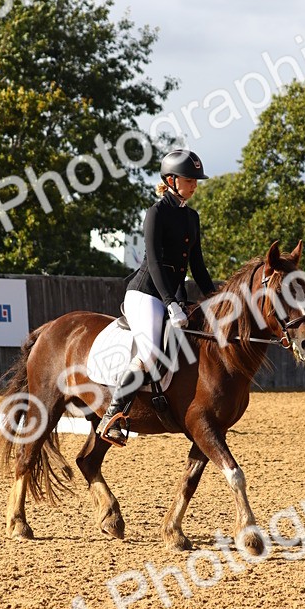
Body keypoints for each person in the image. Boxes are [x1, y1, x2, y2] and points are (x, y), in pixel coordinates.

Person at [96, 148, 216, 445]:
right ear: (171, 179)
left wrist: (216, 300)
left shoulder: (192, 217)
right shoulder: (156, 212)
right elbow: (153, 263)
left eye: (196, 180)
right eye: (190, 179)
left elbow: (197, 266)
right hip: (146, 294)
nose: (195, 185)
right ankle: (113, 414)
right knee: (149, 354)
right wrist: (171, 302)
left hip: (172, 294)